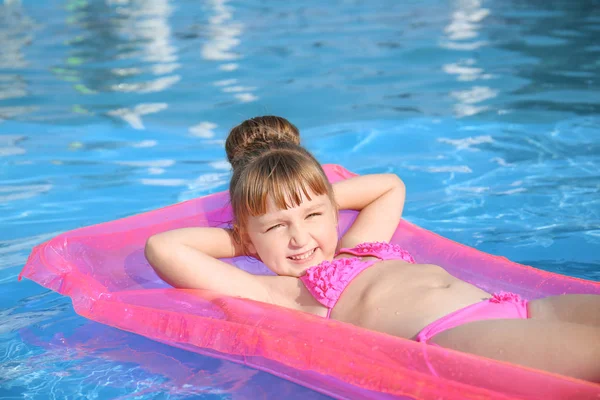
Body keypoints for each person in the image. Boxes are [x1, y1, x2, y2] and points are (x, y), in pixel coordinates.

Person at [145, 116, 600, 382]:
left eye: (313, 217)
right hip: (456, 337)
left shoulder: (361, 246)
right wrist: (245, 232)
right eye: (277, 227)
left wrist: (307, 197)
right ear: (250, 236)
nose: (300, 238)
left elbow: (389, 186)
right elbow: (164, 247)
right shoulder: (282, 294)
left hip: (518, 308)